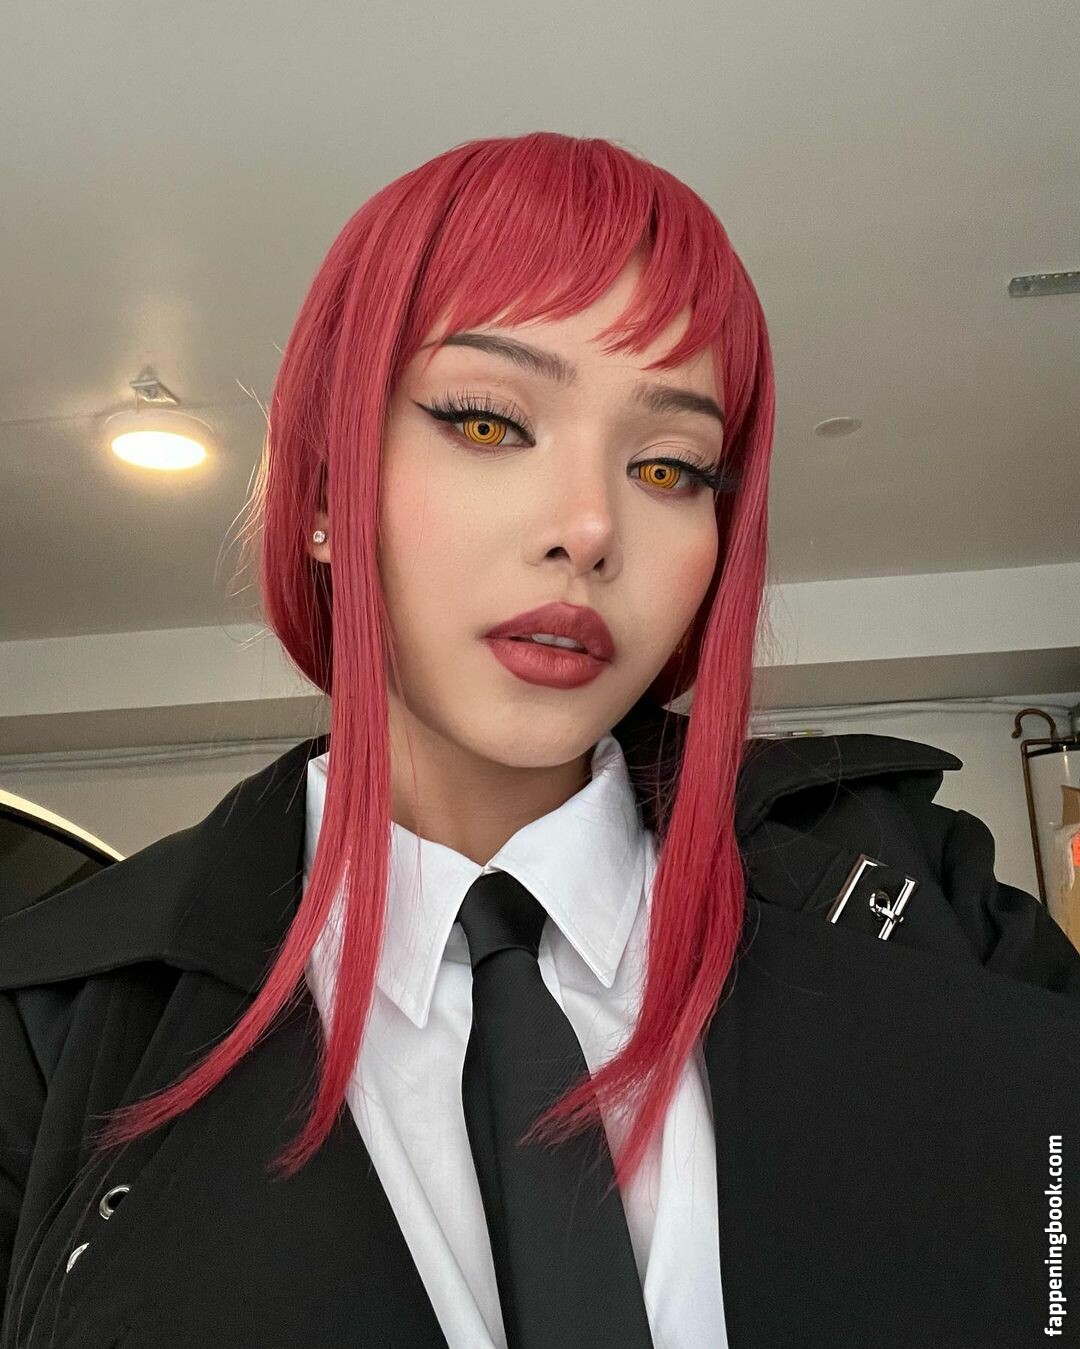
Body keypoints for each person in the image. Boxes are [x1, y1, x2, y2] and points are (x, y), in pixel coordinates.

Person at [2, 131, 1079, 1349]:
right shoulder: (54, 1032)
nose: (589, 526)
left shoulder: (922, 902)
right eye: (485, 423)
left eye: (668, 465)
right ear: (323, 495)